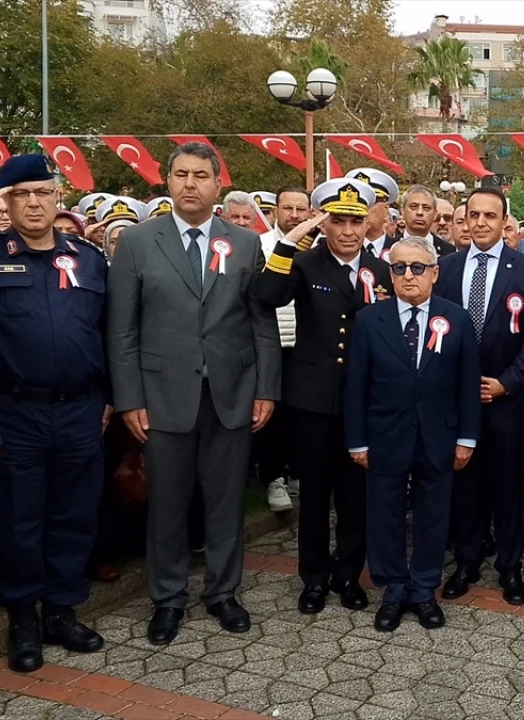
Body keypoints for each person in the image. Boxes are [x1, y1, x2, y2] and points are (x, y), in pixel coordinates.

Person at [107, 142, 282, 646]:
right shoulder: (139, 242)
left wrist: (265, 387)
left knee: (226, 503)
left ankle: (223, 593)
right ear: (167, 181)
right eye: (181, 174)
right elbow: (122, 331)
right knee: (167, 503)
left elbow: (260, 324)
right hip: (162, 397)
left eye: (200, 176)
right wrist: (129, 399)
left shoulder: (244, 243)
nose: (190, 184)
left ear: (217, 184)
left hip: (231, 392)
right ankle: (168, 599)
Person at [0, 156, 110, 673]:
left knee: (74, 513)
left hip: (82, 408)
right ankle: (23, 616)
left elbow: (106, 332)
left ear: (57, 195)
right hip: (15, 408)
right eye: (21, 194)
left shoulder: (87, 258)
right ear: (6, 202)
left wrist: (108, 396)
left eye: (43, 191)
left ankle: (62, 610)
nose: (35, 202)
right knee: (18, 517)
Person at [252, 179, 391, 615]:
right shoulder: (305, 263)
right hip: (312, 400)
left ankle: (348, 575)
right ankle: (313, 578)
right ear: (324, 223)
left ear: (368, 222)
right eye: (338, 221)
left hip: (363, 402)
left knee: (355, 496)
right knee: (313, 494)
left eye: (355, 221)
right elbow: (266, 296)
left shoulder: (383, 269)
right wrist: (289, 242)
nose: (348, 230)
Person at [344, 236, 481, 631]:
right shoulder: (370, 320)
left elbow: (467, 385)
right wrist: (357, 440)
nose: (408, 275)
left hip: (439, 436)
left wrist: (466, 438)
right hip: (385, 435)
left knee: (433, 516)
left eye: (417, 267)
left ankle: (423, 589)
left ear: (434, 273)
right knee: (384, 515)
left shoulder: (455, 318)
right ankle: (393, 589)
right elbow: (356, 386)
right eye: (400, 267)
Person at [435, 187, 524, 605]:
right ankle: (466, 563)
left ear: (504, 222)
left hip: (506, 398)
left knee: (507, 487)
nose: (480, 223)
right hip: (457, 399)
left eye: (490, 216)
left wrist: (508, 382)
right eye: (473, 215)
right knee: (465, 485)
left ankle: (510, 568)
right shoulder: (445, 267)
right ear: (465, 220)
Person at [256, 186, 311, 512]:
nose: (293, 215)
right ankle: (273, 478)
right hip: (271, 342)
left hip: (304, 344)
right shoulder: (261, 246)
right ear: (276, 211)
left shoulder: (318, 248)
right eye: (287, 208)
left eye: (300, 209)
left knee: (300, 414)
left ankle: (298, 472)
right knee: (270, 415)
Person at [347, 168, 408, 260]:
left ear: (385, 209)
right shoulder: (339, 252)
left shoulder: (402, 251)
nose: (361, 209)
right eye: (357, 203)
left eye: (369, 203)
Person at [401, 185, 455, 258]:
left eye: (426, 208)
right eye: (413, 207)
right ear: (403, 211)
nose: (420, 212)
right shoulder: (388, 247)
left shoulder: (449, 251)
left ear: (435, 214)